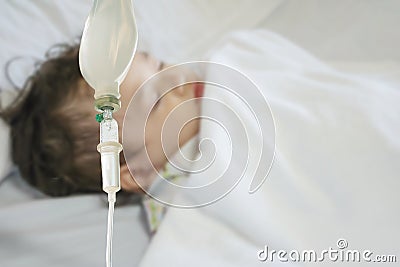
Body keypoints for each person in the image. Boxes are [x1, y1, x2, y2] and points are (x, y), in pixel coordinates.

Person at [0, 43, 204, 197]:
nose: (178, 78)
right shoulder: (181, 201)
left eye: (160, 66)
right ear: (138, 174)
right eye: (156, 101)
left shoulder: (216, 75)